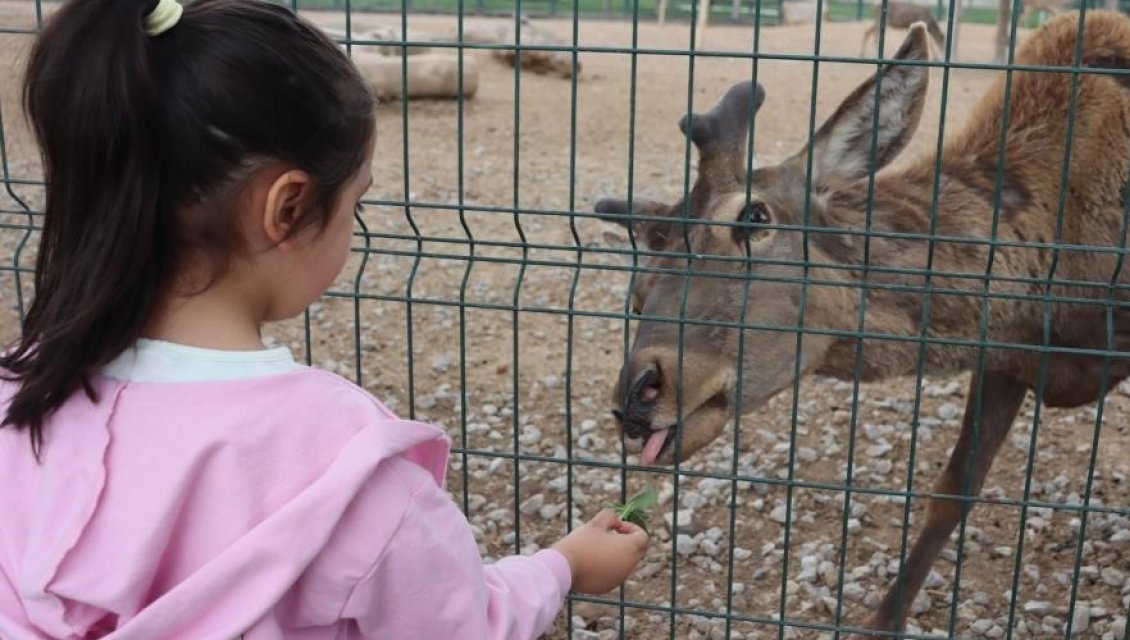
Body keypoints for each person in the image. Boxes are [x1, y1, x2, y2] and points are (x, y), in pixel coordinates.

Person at [0, 0, 649, 638]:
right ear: (287, 208)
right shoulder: (346, 472)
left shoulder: (18, 404)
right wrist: (560, 568)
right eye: (354, 202)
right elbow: (460, 623)